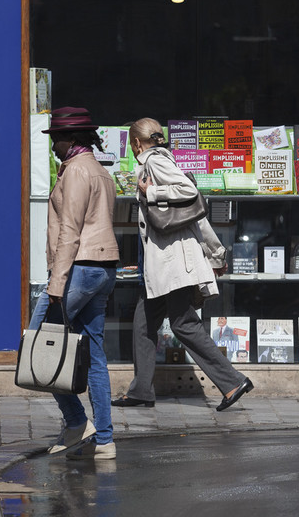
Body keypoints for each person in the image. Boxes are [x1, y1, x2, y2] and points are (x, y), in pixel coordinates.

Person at [111, 119, 253, 412]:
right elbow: (196, 217)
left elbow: (189, 192)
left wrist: (151, 193)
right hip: (163, 266)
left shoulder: (154, 161)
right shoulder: (164, 159)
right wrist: (215, 252)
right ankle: (141, 390)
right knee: (143, 324)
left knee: (183, 324)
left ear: (137, 143)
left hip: (172, 265)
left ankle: (232, 381)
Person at [28, 106, 120, 460]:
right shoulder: (99, 170)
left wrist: (56, 282)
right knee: (95, 356)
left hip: (79, 270)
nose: (53, 145)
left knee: (38, 348)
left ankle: (76, 420)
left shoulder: (78, 172)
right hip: (101, 269)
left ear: (73, 140)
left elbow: (70, 231)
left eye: (57, 139)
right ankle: (106, 441)